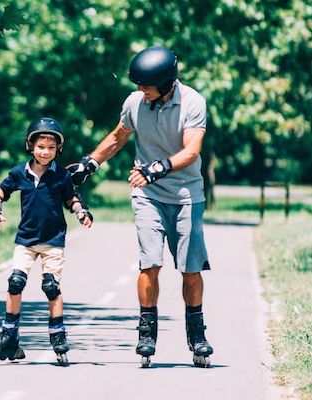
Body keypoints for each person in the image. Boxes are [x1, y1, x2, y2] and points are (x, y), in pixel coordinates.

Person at [69, 45, 214, 368]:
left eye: (145, 86)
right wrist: (90, 163)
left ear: (166, 84)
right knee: (149, 264)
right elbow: (119, 137)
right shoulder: (136, 102)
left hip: (187, 195)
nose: (139, 91)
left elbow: (191, 151)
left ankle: (197, 335)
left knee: (190, 269)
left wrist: (157, 168)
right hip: (147, 195)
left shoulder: (192, 102)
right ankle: (147, 332)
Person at [0, 117, 93, 366]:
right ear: (30, 146)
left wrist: (81, 211)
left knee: (51, 286)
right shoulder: (20, 172)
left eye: (51, 148)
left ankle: (57, 335)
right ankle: (9, 333)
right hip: (26, 239)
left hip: (53, 241)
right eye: (41, 147)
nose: (45, 152)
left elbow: (71, 198)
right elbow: (1, 189)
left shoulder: (61, 175)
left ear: (58, 150)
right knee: (15, 282)